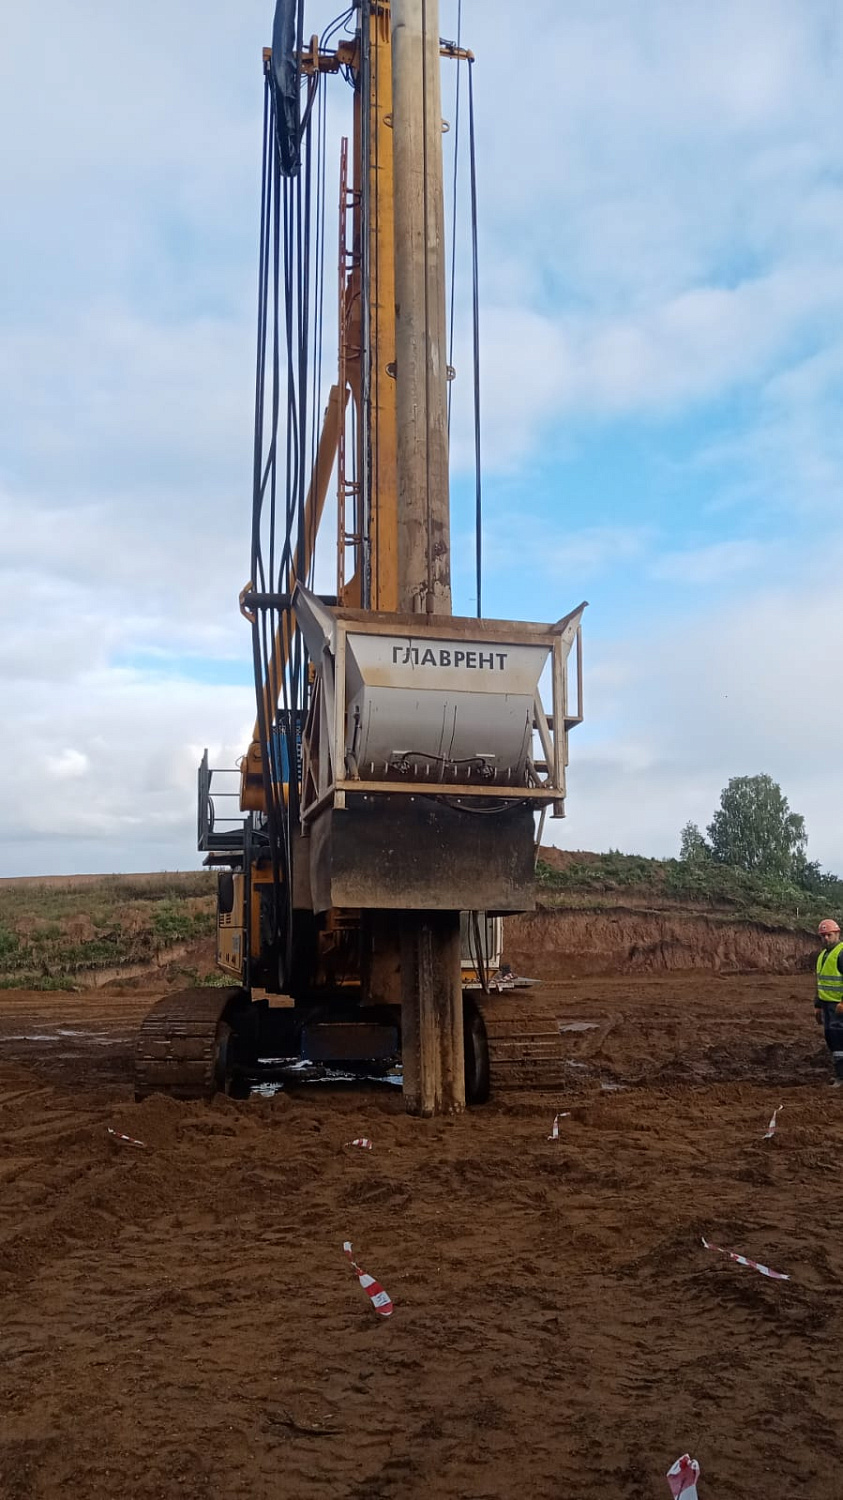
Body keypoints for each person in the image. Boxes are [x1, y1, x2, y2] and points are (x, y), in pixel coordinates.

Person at [815, 919, 843, 1084]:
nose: (826, 938)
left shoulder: (841, 953)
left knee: (839, 1038)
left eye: (829, 935)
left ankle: (841, 1076)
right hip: (827, 1005)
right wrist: (817, 1005)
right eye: (823, 935)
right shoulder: (822, 956)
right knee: (831, 1038)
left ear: (837, 934)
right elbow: (819, 983)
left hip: (838, 1006)